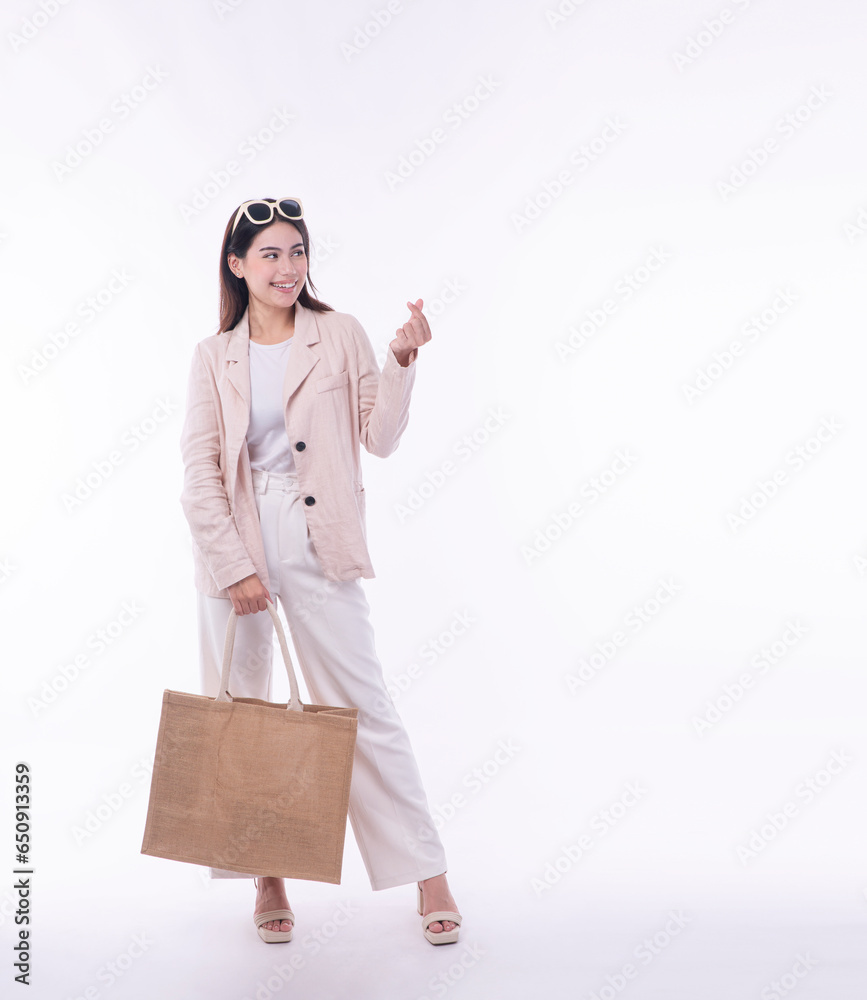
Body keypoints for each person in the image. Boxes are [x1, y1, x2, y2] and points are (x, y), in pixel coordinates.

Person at [178, 197, 461, 946]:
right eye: (269, 254)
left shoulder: (338, 335)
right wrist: (234, 564)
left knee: (361, 705)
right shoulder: (214, 356)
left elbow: (380, 438)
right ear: (236, 265)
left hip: (317, 533)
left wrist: (399, 360)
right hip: (236, 535)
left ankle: (427, 871)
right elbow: (199, 473)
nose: (286, 267)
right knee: (242, 711)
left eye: (296, 253)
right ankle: (266, 872)